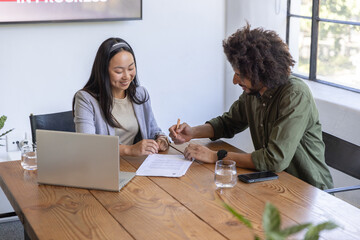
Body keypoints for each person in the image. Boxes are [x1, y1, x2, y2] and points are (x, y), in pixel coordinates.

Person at [169, 24, 333, 190]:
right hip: (274, 185)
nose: (234, 80)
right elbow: (228, 123)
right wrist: (193, 132)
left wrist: (217, 157)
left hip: (310, 193)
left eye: (239, 75)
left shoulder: (295, 95)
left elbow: (274, 160)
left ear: (261, 72)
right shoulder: (254, 93)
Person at [73, 37, 169, 156]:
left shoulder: (140, 94)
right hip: (103, 167)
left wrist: (161, 140)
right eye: (119, 71)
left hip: (136, 166)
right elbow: (87, 145)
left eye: (131, 68)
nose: (127, 76)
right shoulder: (85, 99)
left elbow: (154, 131)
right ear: (103, 71)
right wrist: (129, 150)